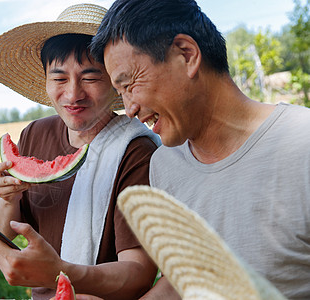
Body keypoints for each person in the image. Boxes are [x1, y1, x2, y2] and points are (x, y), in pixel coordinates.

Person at [90, 0, 310, 299]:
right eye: (120, 94)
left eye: (128, 85)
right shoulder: (164, 167)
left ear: (187, 54)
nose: (129, 109)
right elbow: (182, 280)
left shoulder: (302, 143)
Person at [0, 3, 164, 300]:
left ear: (116, 81)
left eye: (90, 77)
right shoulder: (34, 134)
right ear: (46, 80)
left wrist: (60, 271)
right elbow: (2, 230)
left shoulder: (137, 151)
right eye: (60, 78)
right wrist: (8, 197)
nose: (73, 94)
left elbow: (139, 272)